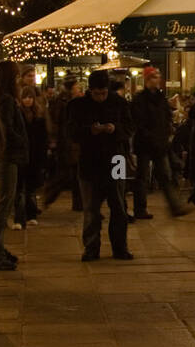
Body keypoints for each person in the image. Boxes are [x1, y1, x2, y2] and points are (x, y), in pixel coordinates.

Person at [67, 69, 135, 259]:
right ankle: (91, 248)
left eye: (104, 93)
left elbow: (129, 128)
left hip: (117, 159)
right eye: (97, 94)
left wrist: (115, 129)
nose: (101, 97)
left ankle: (120, 247)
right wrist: (90, 131)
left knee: (119, 206)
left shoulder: (119, 103)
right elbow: (72, 132)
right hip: (90, 160)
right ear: (90, 90)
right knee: (91, 209)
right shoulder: (78, 106)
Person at [131, 67, 188, 219]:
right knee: (142, 177)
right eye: (154, 77)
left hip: (160, 144)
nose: (157, 79)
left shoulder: (160, 98)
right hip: (145, 144)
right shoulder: (140, 99)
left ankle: (175, 207)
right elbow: (139, 122)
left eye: (158, 76)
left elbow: (166, 117)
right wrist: (153, 136)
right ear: (147, 79)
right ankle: (140, 209)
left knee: (165, 176)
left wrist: (166, 133)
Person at [0, 60, 27, 270]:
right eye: (17, 76)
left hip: (2, 157)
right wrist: (21, 139)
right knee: (2, 206)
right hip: (5, 157)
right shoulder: (6, 101)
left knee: (3, 205)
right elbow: (6, 129)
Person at [43, 77, 84, 211]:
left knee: (76, 174)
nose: (79, 89)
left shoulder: (72, 101)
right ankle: (49, 194)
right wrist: (54, 140)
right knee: (66, 174)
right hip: (66, 143)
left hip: (72, 142)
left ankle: (78, 203)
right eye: (77, 87)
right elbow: (55, 122)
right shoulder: (62, 102)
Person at [18, 86, 47, 225]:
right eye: (25, 97)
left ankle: (31, 214)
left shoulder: (39, 116)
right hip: (22, 155)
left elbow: (42, 138)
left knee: (30, 188)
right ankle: (20, 216)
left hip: (34, 155)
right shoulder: (18, 115)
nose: (28, 100)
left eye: (30, 97)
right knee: (19, 188)